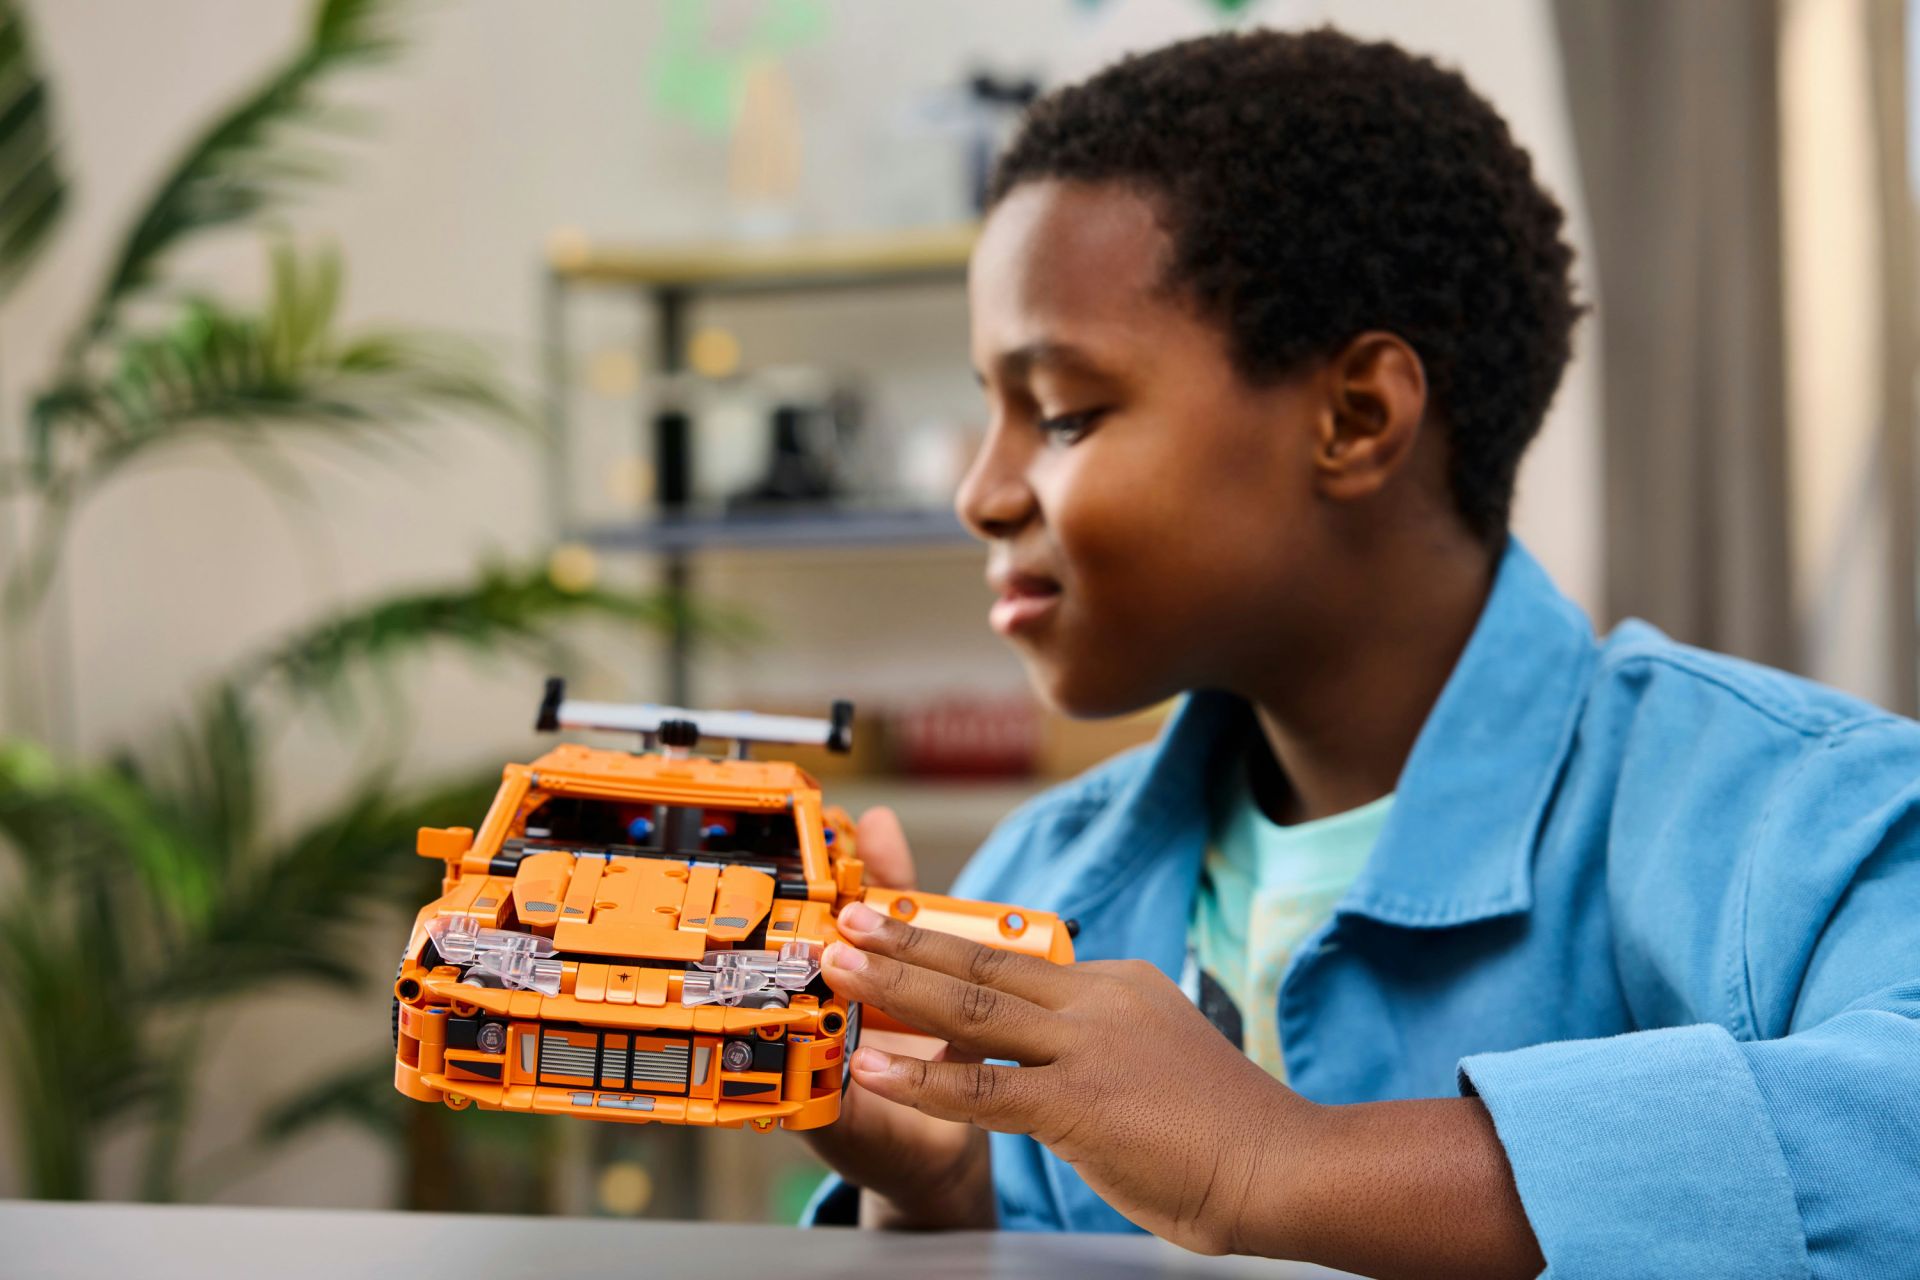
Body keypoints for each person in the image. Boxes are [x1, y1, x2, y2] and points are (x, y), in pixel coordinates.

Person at [799, 28, 1920, 1280]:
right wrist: (941, 1199)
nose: (981, 493)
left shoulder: (1802, 818)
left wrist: (1276, 1161)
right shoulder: (1044, 877)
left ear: (1356, 417)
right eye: (989, 410)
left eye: (1064, 413)